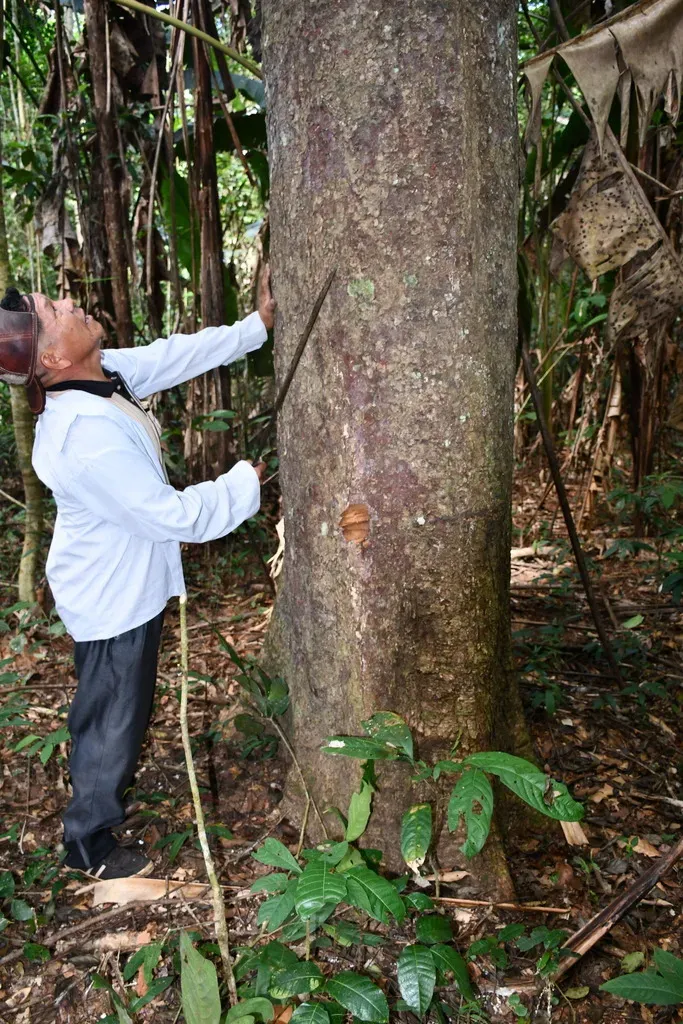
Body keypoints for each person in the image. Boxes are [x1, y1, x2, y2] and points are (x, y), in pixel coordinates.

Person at [0, 270, 276, 879]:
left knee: (116, 706)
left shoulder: (98, 374)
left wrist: (255, 328)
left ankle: (94, 815)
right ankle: (87, 844)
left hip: (126, 580)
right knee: (112, 718)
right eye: (54, 307)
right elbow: (168, 516)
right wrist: (240, 485)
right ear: (50, 354)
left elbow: (169, 358)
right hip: (111, 598)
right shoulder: (81, 438)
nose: (68, 301)